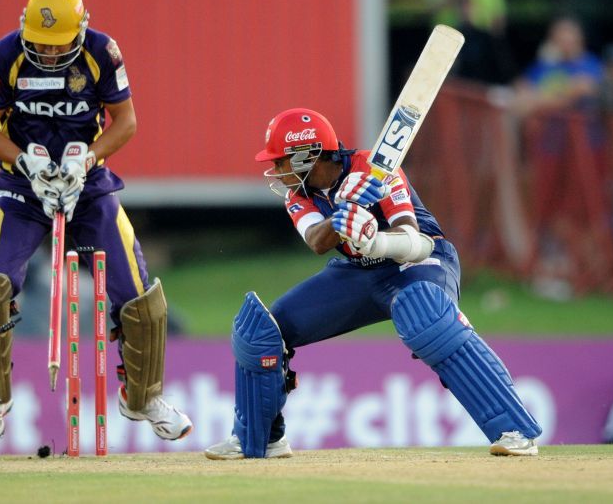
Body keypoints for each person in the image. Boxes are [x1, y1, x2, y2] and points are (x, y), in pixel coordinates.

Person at [204, 108, 541, 459]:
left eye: (280, 162)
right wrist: (345, 211)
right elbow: (318, 242)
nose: (275, 171)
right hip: (361, 271)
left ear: (307, 157)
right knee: (262, 331)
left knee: (426, 316)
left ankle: (514, 429)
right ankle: (260, 439)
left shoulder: (375, 167)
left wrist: (374, 238)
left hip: (419, 262)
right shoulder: (298, 195)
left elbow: (414, 240)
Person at [0, 0, 191, 443]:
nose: (48, 52)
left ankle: (142, 397)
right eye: (40, 42)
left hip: (87, 185)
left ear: (80, 31)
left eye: (58, 43)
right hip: (21, 186)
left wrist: (86, 159)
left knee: (140, 295)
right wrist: (23, 162)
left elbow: (125, 121)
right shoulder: (0, 57)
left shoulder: (102, 53)